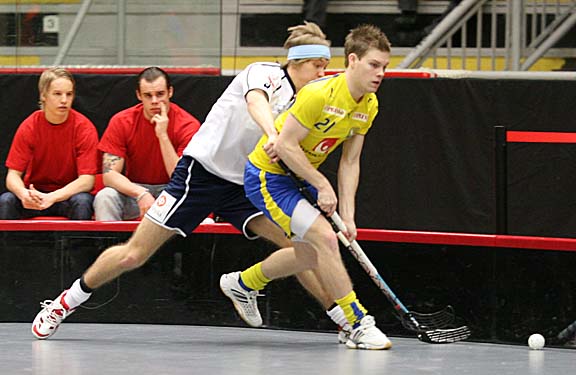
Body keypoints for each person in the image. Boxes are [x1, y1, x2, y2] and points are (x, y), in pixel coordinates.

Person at [32, 22, 348, 342]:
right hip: (201, 176)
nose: (322, 73)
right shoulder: (262, 72)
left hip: (246, 183)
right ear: (296, 61)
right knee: (133, 254)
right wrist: (272, 135)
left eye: (325, 66)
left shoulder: (305, 99)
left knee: (301, 247)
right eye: (317, 65)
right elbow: (257, 103)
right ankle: (64, 303)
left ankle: (343, 321)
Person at [222, 24, 393, 350]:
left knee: (308, 253)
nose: (380, 73)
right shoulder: (318, 94)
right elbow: (284, 146)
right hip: (269, 176)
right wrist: (321, 184)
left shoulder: (368, 105)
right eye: (374, 65)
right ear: (353, 60)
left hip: (300, 176)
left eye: (384, 66)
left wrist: (349, 215)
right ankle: (357, 323)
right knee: (325, 239)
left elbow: (350, 162)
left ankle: (243, 283)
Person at [93, 67, 200, 221]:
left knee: (194, 200)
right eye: (148, 95)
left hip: (172, 190)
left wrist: (162, 135)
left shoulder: (187, 125)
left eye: (160, 94)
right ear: (139, 95)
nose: (154, 101)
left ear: (170, 92)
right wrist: (140, 193)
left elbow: (180, 178)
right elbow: (109, 175)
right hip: (134, 190)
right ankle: (109, 238)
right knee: (105, 197)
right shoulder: (122, 121)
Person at [0, 67, 98, 220]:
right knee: (6, 200)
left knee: (82, 201)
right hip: (35, 194)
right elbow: (12, 175)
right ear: (43, 95)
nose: (64, 100)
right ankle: (12, 238)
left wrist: (52, 197)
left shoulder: (84, 128)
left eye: (69, 94)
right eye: (57, 94)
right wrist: (23, 194)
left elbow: (87, 180)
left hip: (68, 195)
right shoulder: (30, 125)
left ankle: (77, 238)